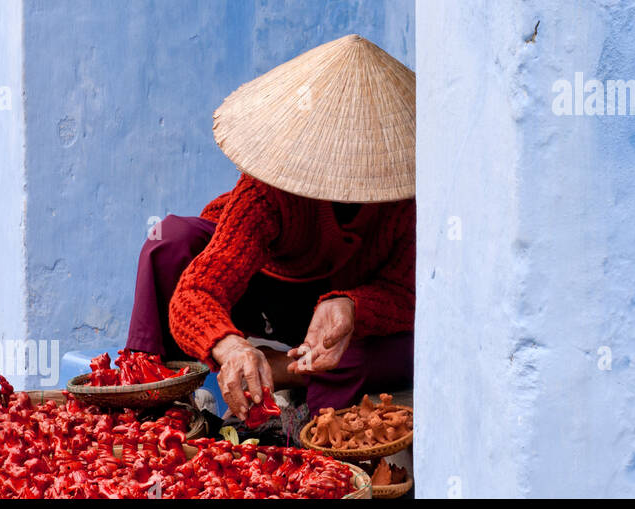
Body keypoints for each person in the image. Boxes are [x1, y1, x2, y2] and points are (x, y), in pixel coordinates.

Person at [123, 34, 416, 420]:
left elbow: (408, 295)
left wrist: (351, 305)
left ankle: (285, 375)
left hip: (332, 322)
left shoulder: (404, 202)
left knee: (398, 351)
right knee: (170, 240)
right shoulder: (268, 188)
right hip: (264, 289)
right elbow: (197, 291)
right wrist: (230, 347)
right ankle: (150, 390)